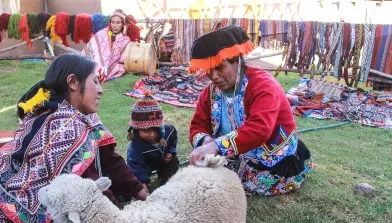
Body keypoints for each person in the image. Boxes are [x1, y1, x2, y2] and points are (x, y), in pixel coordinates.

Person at [0, 53, 148, 223]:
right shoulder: (64, 126)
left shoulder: (83, 116)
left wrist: (138, 190)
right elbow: (85, 184)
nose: (100, 90)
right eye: (95, 82)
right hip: (16, 199)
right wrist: (122, 218)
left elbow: (108, 159)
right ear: (73, 82)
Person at [188, 26, 313, 196]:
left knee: (230, 182)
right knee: (206, 175)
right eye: (208, 69)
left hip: (271, 157)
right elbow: (197, 125)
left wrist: (217, 146)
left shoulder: (263, 86)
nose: (214, 76)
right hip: (236, 154)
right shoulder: (210, 93)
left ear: (236, 60)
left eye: (219, 67)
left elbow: (259, 128)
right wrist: (207, 142)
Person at [126, 91, 179, 187]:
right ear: (136, 129)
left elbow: (173, 139)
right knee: (139, 173)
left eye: (156, 130)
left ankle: (166, 179)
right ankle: (145, 183)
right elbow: (135, 164)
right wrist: (142, 182)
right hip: (146, 164)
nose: (152, 135)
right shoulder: (136, 145)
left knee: (173, 161)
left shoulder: (168, 131)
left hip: (163, 159)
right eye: (146, 131)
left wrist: (171, 151)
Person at [85, 9, 132, 82]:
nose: (115, 25)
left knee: (118, 68)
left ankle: (99, 75)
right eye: (113, 22)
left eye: (118, 23)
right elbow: (92, 47)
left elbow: (123, 59)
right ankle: (92, 73)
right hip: (95, 62)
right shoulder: (102, 33)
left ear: (123, 24)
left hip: (113, 65)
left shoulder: (126, 40)